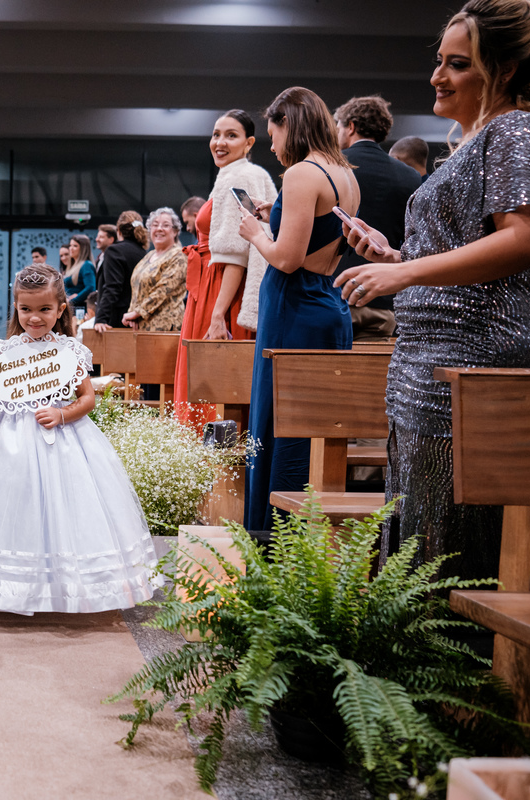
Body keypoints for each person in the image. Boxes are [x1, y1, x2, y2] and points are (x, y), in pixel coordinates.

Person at [335, 0, 530, 583]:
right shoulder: (475, 140)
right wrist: (397, 257)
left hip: (475, 353)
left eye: (457, 64)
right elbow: (465, 252)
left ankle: (452, 663)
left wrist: (405, 275)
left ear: (500, 70)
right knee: (420, 517)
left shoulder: (518, 129)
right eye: (439, 61)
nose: (436, 76)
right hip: (429, 356)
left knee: (450, 534)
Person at [0, 264, 161, 614]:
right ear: (15, 308)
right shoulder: (3, 350)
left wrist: (62, 414)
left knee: (62, 509)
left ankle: (59, 586)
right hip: (8, 443)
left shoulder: (68, 351)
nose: (34, 318)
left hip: (60, 438)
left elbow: (87, 398)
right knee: (6, 504)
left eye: (44, 309)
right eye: (26, 309)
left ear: (61, 309)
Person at [238, 87, 359, 532]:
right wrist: (277, 214)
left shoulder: (301, 174)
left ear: (292, 124)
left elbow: (286, 259)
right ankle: (309, 551)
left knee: (280, 427)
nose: (271, 146)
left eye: (273, 135)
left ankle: (274, 548)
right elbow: (317, 236)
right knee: (316, 427)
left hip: (292, 303)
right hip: (328, 300)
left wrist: (255, 231)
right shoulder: (345, 172)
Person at [173, 109, 277, 427]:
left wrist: (218, 314)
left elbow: (237, 254)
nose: (219, 142)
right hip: (212, 283)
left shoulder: (240, 176)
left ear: (249, 143)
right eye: (216, 134)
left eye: (230, 135)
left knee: (215, 383)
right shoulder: (232, 175)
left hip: (223, 288)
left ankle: (219, 469)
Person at [333, 95, 423, 340]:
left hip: (337, 294)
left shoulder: (332, 167)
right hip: (388, 297)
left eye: (338, 126)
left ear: (350, 126)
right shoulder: (412, 176)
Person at [122, 207, 188, 331]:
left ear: (175, 231)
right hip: (142, 327)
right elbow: (136, 289)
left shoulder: (179, 255)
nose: (159, 229)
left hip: (165, 328)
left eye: (166, 225)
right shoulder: (149, 255)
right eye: (155, 225)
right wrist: (133, 314)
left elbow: (164, 289)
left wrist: (137, 312)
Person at [92, 211, 148, 331]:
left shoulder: (114, 251)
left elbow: (112, 287)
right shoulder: (144, 253)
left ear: (118, 231)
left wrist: (101, 318)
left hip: (115, 318)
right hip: (135, 318)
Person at [62, 233, 95, 309]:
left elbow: (90, 288)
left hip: (79, 308)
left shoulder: (86, 265)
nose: (71, 248)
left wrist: (72, 300)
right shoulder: (73, 266)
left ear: (83, 248)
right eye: (70, 245)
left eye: (75, 246)